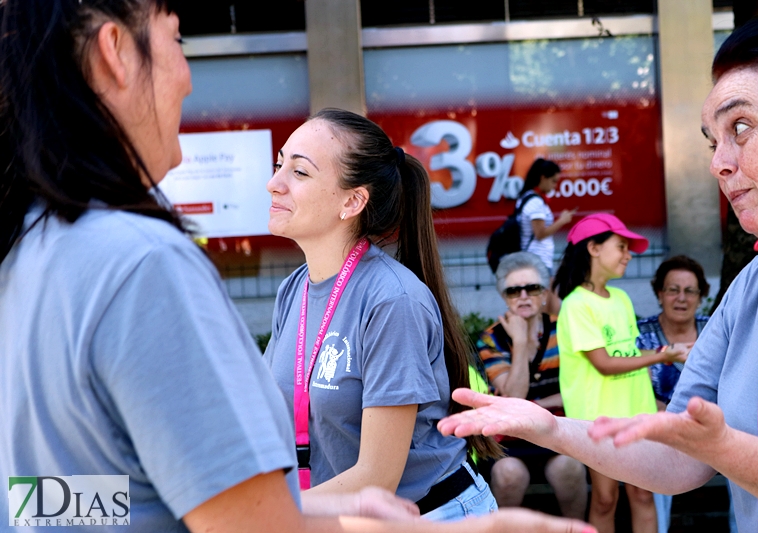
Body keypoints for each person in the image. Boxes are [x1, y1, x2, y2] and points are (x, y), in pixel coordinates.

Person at [0, 2, 597, 533]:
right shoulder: (142, 264)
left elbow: (38, 500)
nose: (187, 78)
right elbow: (239, 517)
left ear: (352, 201)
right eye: (177, 38)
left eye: (299, 169)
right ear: (114, 53)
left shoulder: (37, 244)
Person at [437, 17, 758, 533]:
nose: (718, 162)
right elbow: (681, 457)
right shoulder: (755, 284)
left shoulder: (624, 301)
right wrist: (552, 429)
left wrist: (722, 447)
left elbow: (698, 445)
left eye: (739, 127)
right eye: (712, 140)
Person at [264, 108, 508, 520]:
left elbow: (375, 478)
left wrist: (256, 511)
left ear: (353, 201)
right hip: (336, 516)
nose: (274, 184)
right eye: (279, 164)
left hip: (433, 518)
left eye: (299, 172)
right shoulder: (294, 290)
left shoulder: (392, 300)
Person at [551, 213, 690, 533]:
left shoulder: (622, 299)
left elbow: (625, 353)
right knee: (604, 498)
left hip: (637, 414)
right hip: (597, 421)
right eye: (622, 247)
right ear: (594, 248)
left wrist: (666, 354)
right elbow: (604, 363)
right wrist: (662, 356)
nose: (629, 255)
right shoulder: (576, 305)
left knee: (643, 495)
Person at [476, 252, 587, 519]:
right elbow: (514, 397)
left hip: (558, 435)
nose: (524, 296)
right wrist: (521, 343)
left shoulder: (566, 331)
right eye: (514, 290)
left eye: (533, 288)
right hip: (511, 440)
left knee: (569, 470)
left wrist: (534, 406)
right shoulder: (492, 340)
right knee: (508, 476)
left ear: (545, 292)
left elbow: (580, 389)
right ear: (504, 296)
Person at [635, 256, 711, 532]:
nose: (681, 298)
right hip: (661, 426)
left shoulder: (714, 330)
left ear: (701, 296)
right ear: (659, 294)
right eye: (672, 289)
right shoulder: (641, 336)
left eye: (690, 291)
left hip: (713, 426)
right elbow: (639, 387)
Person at [518, 158, 576, 274]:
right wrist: (562, 221)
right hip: (538, 260)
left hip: (533, 260)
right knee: (550, 292)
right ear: (543, 178)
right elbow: (540, 234)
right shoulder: (536, 202)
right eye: (553, 181)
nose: (555, 186)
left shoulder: (527, 197)